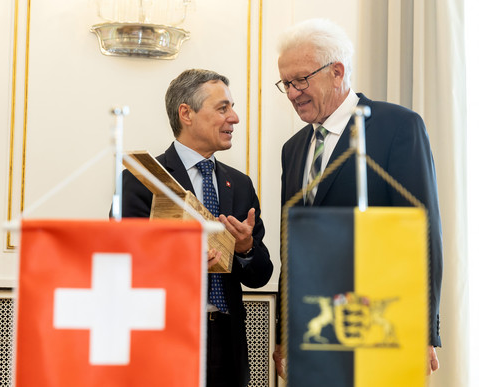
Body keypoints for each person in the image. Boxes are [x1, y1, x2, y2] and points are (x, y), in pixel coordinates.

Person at [272, 19, 443, 377]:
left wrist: (422, 329)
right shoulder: (293, 149)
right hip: (316, 328)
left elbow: (421, 234)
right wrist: (285, 331)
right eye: (285, 83)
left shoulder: (398, 127)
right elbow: (293, 246)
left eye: (301, 80)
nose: (292, 93)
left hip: (381, 323)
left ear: (337, 72)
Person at [117, 69, 273, 387]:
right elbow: (121, 262)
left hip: (227, 341)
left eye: (232, 107)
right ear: (186, 113)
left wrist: (245, 249)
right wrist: (178, 264)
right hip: (165, 336)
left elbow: (261, 275)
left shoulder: (240, 184)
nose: (235, 118)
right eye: (222, 108)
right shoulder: (144, 179)